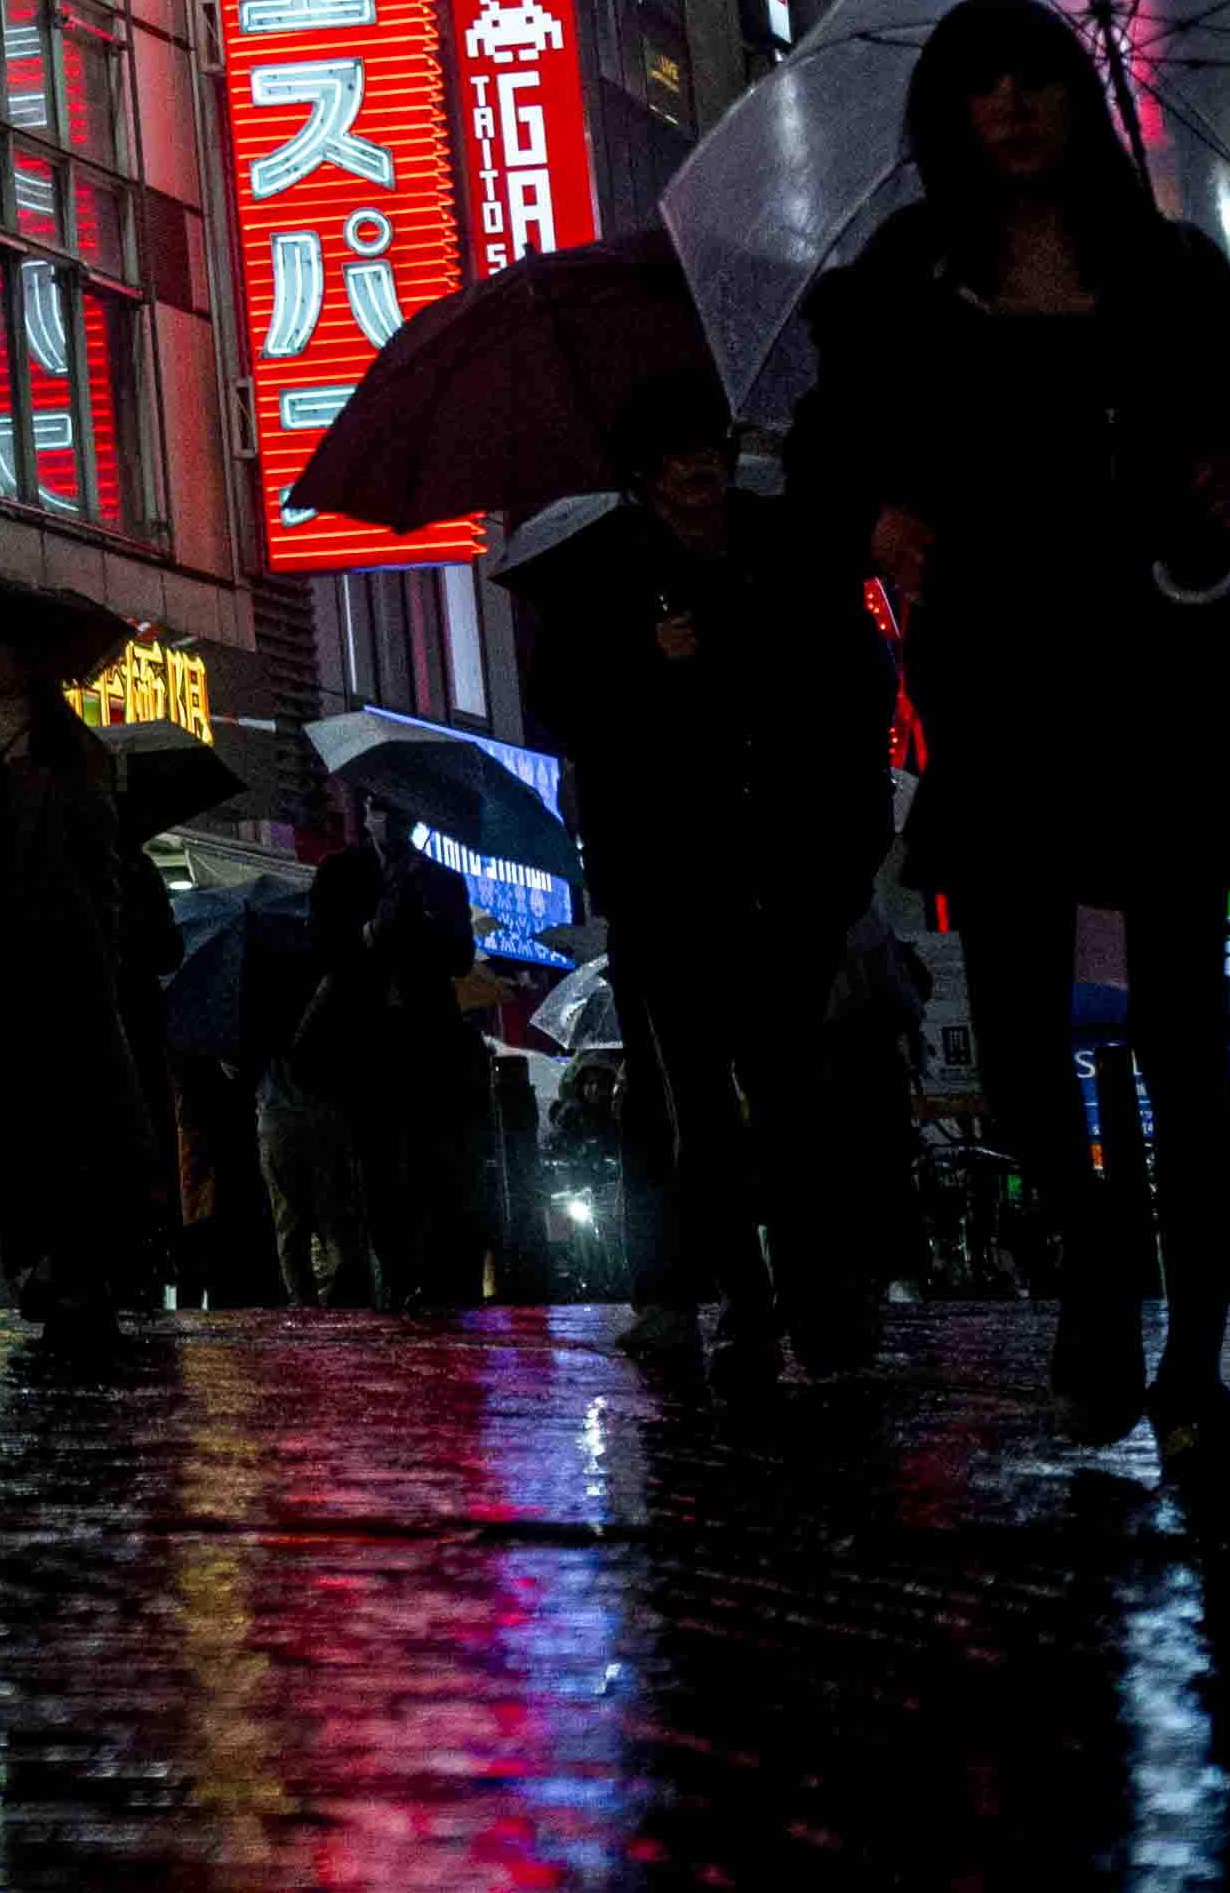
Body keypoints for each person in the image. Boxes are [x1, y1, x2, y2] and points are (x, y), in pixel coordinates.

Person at [795, 0, 1230, 1513]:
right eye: (982, 82)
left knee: (1188, 1033)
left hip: (1167, 681)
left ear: (1078, 99)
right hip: (1001, 686)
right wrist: (876, 522)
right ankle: (1096, 1235)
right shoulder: (907, 284)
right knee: (1016, 1043)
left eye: (1037, 76)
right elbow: (820, 461)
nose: (1012, 104)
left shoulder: (1172, 275)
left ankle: (1192, 1369)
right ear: (949, 113)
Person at [523, 374, 903, 1378]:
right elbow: (559, 706)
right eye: (676, 461)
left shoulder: (783, 549)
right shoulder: (601, 572)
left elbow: (857, 674)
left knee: (788, 1088)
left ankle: (811, 1292)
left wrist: (845, 843)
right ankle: (740, 1293)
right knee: (694, 1096)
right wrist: (641, 660)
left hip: (785, 869)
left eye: (709, 455)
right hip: (667, 880)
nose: (697, 476)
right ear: (645, 475)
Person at [0, 645, 167, 1354]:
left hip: (64, 959)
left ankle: (73, 1266)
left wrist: (99, 948)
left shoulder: (74, 750)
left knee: (71, 1122)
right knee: (3, 1122)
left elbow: (99, 864)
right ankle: (34, 1254)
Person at [283, 776, 503, 1310]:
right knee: (376, 1167)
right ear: (367, 813)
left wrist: (419, 928)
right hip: (366, 1047)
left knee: (430, 1165)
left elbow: (458, 956)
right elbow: (321, 948)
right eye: (382, 809)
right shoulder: (339, 872)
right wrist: (370, 934)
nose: (392, 822)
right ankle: (400, 1276)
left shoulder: (441, 881)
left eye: (401, 813)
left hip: (427, 1044)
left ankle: (427, 1278)